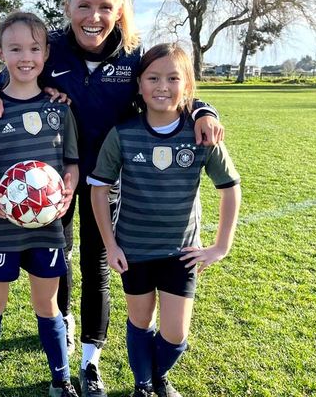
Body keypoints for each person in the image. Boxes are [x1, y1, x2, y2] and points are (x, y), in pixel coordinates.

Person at [0, 0, 224, 395]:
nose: (94, 15)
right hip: (49, 181)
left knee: (98, 262)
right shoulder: (50, 47)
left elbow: (168, 84)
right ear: (68, 5)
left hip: (107, 181)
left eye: (105, 6)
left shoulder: (133, 54)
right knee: (61, 253)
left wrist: (203, 110)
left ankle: (91, 359)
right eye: (84, 4)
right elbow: (6, 76)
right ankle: (64, 321)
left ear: (120, 9)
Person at [88, 43, 242, 397]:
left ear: (187, 85)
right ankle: (145, 385)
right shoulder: (123, 134)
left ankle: (157, 375)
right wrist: (110, 245)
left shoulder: (202, 134)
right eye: (153, 78)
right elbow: (99, 189)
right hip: (135, 249)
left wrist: (220, 246)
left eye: (173, 78)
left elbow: (231, 188)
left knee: (175, 334)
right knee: (140, 322)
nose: (162, 86)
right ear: (139, 85)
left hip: (181, 252)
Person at [0, 11, 80, 397]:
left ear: (46, 54)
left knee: (47, 306)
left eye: (34, 48)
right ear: (0, 53)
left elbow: (73, 165)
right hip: (1, 231)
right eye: (15, 48)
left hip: (48, 229)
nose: (25, 57)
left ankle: (61, 380)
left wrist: (66, 189)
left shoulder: (60, 109)